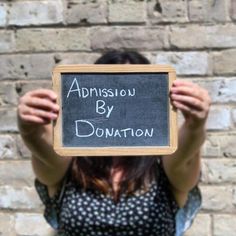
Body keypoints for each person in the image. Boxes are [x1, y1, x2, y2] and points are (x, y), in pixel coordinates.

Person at [17, 50, 211, 236]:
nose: (120, 102)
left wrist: (195, 125)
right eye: (111, 88)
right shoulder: (71, 160)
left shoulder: (162, 163)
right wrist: (30, 128)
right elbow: (47, 153)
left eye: (132, 91)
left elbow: (183, 157)